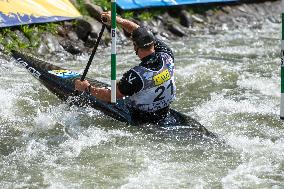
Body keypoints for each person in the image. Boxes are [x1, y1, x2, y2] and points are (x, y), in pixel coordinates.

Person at [75, 12, 176, 123]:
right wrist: (117, 20)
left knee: (121, 92)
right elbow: (138, 30)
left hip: (143, 120)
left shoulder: (136, 75)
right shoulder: (166, 54)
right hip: (164, 112)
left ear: (135, 47)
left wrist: (87, 88)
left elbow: (112, 96)